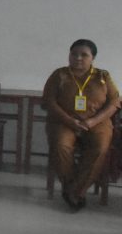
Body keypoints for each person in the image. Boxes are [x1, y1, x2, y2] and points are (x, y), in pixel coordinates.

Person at [43, 39, 120, 210]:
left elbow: (114, 102)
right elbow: (49, 101)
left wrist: (92, 121)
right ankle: (75, 190)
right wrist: (69, 121)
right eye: (74, 54)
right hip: (64, 121)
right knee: (61, 145)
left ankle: (75, 190)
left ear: (93, 58)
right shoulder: (59, 75)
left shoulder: (103, 76)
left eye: (84, 55)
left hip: (97, 122)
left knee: (100, 148)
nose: (78, 58)